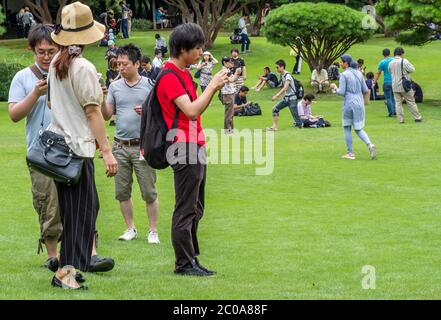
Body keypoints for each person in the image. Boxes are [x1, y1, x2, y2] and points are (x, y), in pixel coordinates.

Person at [47, 2, 118, 289]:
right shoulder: (83, 67)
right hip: (77, 150)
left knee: (80, 210)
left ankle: (71, 268)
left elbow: (52, 103)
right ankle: (66, 273)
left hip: (59, 149)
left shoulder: (55, 64)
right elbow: (93, 112)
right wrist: (107, 150)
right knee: (81, 213)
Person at [155, 23, 228, 276]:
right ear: (183, 48)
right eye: (197, 48)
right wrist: (213, 86)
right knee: (186, 208)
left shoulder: (185, 74)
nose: (200, 52)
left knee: (197, 207)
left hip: (194, 144)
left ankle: (191, 259)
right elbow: (191, 110)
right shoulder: (169, 76)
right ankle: (183, 263)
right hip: (182, 146)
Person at [8, 24, 62, 272]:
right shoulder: (23, 77)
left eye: (51, 51)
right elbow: (14, 115)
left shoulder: (66, 72)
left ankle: (80, 252)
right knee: (46, 202)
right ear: (32, 49)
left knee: (76, 203)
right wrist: (35, 94)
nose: (47, 56)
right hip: (39, 153)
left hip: (68, 149)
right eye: (41, 51)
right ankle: (53, 256)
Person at [102, 44, 160, 244]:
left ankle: (153, 231)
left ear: (137, 64)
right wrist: (101, 98)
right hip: (120, 146)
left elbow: (161, 113)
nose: (120, 67)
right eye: (118, 64)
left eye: (124, 64)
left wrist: (147, 112)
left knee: (149, 191)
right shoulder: (114, 87)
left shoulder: (149, 85)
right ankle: (130, 228)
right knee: (122, 191)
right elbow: (106, 114)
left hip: (142, 146)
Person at [330, 54, 377, 160]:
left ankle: (350, 153)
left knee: (347, 127)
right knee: (359, 128)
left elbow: (341, 92)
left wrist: (334, 88)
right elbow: (365, 90)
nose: (340, 64)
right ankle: (370, 145)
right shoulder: (359, 73)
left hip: (349, 102)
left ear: (346, 63)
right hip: (359, 102)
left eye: (341, 62)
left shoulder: (344, 75)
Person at [388, 47, 423, 123]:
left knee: (398, 103)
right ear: (402, 53)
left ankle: (400, 120)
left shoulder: (390, 62)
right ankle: (417, 117)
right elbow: (412, 69)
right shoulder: (404, 61)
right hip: (404, 85)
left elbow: (390, 72)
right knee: (411, 101)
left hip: (394, 85)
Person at [266, 59, 302, 131]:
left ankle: (302, 124)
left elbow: (285, 88)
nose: (276, 69)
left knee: (296, 116)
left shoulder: (287, 76)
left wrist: (277, 95)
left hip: (292, 98)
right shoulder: (282, 75)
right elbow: (281, 86)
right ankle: (274, 127)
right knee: (275, 109)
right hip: (286, 98)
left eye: (277, 67)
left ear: (282, 67)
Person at [220, 57, 241, 134]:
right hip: (227, 94)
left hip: (230, 93)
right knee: (229, 113)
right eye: (230, 62)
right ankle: (228, 130)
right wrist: (237, 73)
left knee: (231, 113)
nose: (232, 63)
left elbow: (233, 79)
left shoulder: (227, 70)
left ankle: (230, 130)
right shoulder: (225, 71)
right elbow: (231, 80)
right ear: (225, 63)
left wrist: (237, 74)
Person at [373, 48, 396, 117]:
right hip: (394, 81)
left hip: (387, 82)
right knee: (394, 97)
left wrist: (374, 82)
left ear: (383, 54)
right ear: (389, 53)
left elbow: (378, 73)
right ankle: (395, 110)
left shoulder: (382, 62)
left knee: (388, 98)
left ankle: (391, 113)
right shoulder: (394, 60)